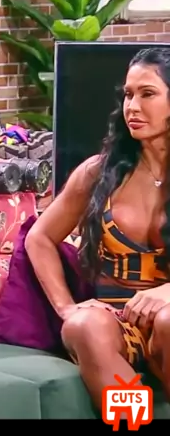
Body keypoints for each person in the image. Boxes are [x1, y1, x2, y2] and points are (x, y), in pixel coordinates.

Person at [25, 46, 170, 411]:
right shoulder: (98, 173)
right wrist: (66, 307)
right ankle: (132, 419)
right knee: (83, 326)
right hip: (117, 322)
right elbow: (40, 238)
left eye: (148, 94)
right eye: (128, 95)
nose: (132, 107)